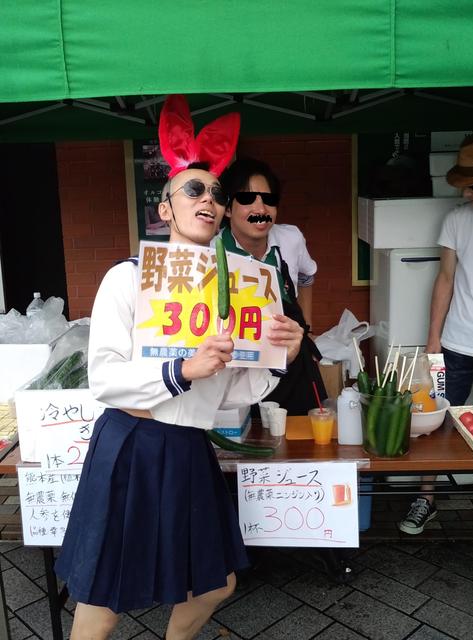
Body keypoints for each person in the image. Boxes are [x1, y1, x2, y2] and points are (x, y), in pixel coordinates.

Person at [55, 96, 303, 640]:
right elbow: (104, 378)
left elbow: (231, 392)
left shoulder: (239, 289)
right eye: (194, 190)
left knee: (214, 583)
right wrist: (183, 369)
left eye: (217, 193)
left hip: (189, 447)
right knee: (103, 598)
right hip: (131, 445)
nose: (208, 199)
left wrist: (279, 358)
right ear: (164, 209)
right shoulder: (126, 277)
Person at [399, 133, 473, 534]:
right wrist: (433, 339)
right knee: (437, 419)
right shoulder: (457, 220)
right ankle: (426, 498)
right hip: (457, 342)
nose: (466, 194)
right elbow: (445, 279)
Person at [220, 157, 327, 415]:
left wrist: (306, 329)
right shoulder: (212, 253)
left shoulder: (290, 238)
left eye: (268, 200)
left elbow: (307, 276)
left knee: (303, 429)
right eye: (247, 199)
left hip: (291, 357)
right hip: (240, 367)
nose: (260, 208)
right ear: (227, 208)